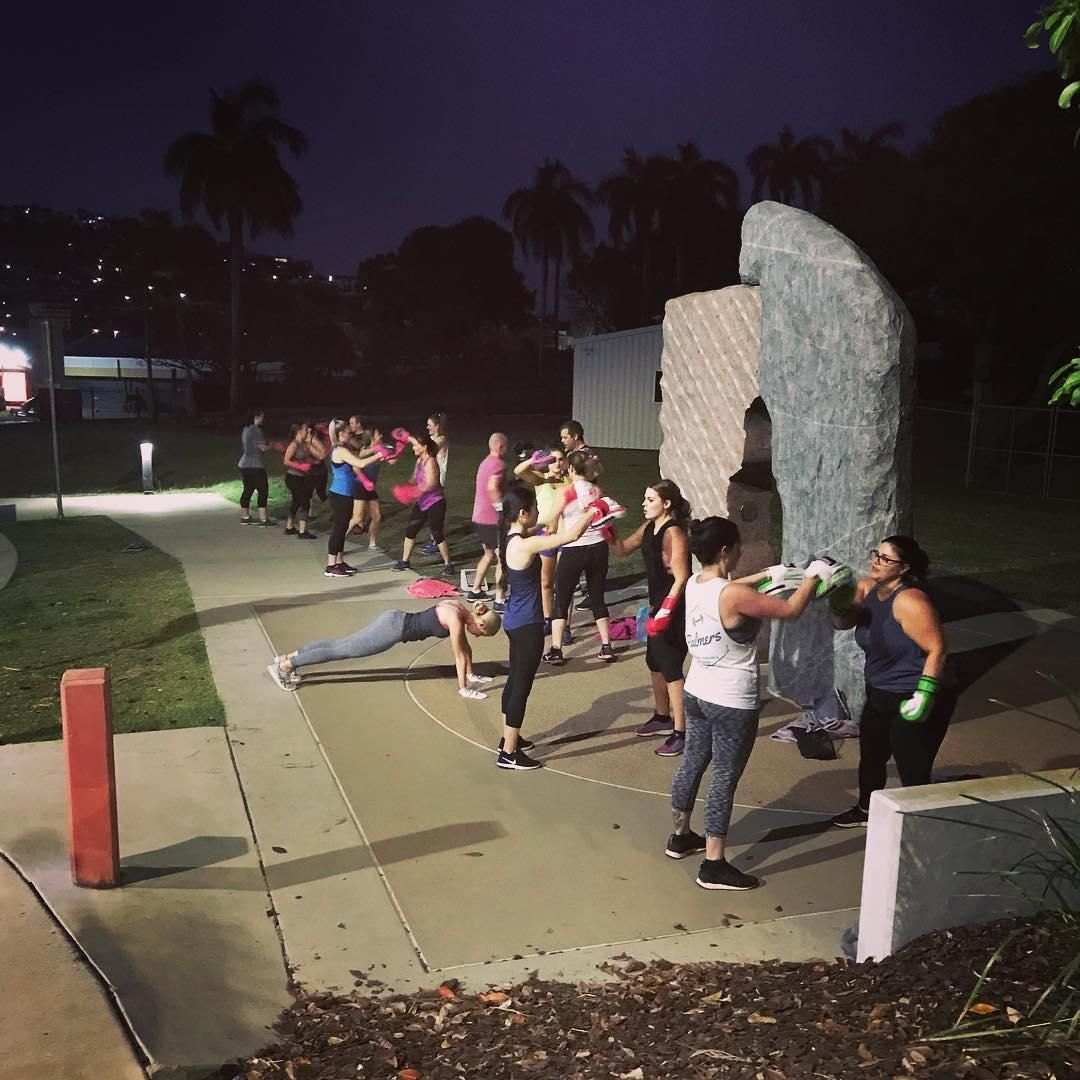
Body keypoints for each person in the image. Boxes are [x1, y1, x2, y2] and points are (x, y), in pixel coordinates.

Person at [666, 517, 846, 891]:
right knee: (723, 780)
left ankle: (680, 837)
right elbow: (790, 611)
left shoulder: (696, 585)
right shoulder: (732, 595)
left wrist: (771, 572)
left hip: (697, 693)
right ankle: (713, 864)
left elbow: (732, 588)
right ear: (726, 551)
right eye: (738, 547)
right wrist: (812, 576)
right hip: (731, 701)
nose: (742, 552)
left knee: (693, 762)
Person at [828, 535, 955, 828]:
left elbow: (938, 649)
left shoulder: (911, 601)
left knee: (911, 762)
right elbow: (842, 624)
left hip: (915, 691)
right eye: (876, 554)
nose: (876, 561)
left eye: (886, 558)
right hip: (880, 690)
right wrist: (837, 604)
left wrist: (924, 695)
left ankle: (919, 822)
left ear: (903, 568)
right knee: (871, 755)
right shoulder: (866, 587)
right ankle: (866, 809)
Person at [496, 485, 604, 770]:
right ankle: (509, 753)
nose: (538, 513)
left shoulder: (511, 538)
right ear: (523, 513)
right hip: (528, 624)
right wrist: (594, 512)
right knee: (521, 685)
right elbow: (569, 536)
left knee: (514, 679)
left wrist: (563, 500)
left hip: (515, 621)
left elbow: (545, 524)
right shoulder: (525, 544)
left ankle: (509, 738)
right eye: (534, 508)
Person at [609, 480, 692, 757]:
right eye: (645, 499)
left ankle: (681, 732)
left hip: (673, 608)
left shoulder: (674, 533)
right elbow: (621, 550)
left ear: (666, 504)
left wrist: (667, 610)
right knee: (654, 662)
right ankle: (661, 716)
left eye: (650, 499)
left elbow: (681, 577)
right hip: (657, 606)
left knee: (670, 667)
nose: (644, 504)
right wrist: (606, 528)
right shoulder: (648, 528)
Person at [267, 598, 501, 695]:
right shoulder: (456, 620)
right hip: (392, 630)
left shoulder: (460, 608)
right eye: (482, 633)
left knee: (339, 644)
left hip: (394, 619)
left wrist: (472, 674)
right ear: (480, 623)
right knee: (342, 650)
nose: (479, 637)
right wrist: (464, 687)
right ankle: (285, 667)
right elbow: (459, 654)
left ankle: (284, 659)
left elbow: (466, 648)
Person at [545, 450, 619, 666]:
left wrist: (549, 532)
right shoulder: (597, 490)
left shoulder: (566, 492)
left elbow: (553, 519)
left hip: (574, 548)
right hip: (598, 547)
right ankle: (606, 646)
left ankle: (557, 649)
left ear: (570, 469)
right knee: (597, 596)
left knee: (562, 598)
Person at [513, 445, 571, 648]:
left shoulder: (570, 480)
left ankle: (565, 624)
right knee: (546, 582)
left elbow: (596, 474)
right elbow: (518, 472)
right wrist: (534, 461)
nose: (557, 464)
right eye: (553, 460)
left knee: (564, 583)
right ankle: (548, 619)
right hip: (545, 535)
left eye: (560, 459)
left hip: (566, 536)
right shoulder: (542, 479)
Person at [392, 433, 456, 578]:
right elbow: (414, 479)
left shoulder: (431, 462)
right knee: (411, 530)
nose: (413, 448)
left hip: (435, 503)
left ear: (424, 447)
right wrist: (405, 488)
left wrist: (414, 492)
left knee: (437, 533)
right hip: (422, 503)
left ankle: (448, 564)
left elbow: (431, 483)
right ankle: (404, 561)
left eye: (416, 446)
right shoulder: (419, 461)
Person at [323, 422, 373, 578]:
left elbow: (358, 458)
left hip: (345, 493)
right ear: (340, 434)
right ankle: (331, 566)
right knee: (339, 529)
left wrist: (376, 450)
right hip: (340, 494)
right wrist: (379, 454)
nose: (349, 433)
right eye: (347, 431)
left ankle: (339, 561)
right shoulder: (340, 450)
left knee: (343, 527)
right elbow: (360, 463)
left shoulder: (342, 448)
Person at [468, 432, 508, 610]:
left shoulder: (485, 463)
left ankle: (475, 590)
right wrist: (501, 506)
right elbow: (492, 488)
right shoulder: (498, 464)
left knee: (489, 554)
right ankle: (499, 599)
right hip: (492, 519)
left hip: (478, 517)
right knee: (502, 558)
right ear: (500, 447)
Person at [282, 421, 326, 539]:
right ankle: (302, 532)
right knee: (304, 502)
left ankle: (289, 527)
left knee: (296, 501)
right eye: (305, 429)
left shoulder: (304, 444)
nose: (308, 431)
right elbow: (286, 460)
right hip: (293, 478)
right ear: (299, 431)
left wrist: (313, 460)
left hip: (302, 478)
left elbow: (321, 455)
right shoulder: (294, 444)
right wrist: (300, 466)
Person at [238, 408, 276, 526]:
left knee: (248, 489)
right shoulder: (256, 430)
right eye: (262, 417)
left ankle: (245, 516)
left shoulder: (245, 429)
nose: (263, 419)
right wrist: (271, 445)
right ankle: (263, 519)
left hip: (244, 464)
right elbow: (263, 448)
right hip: (255, 465)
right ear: (257, 417)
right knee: (263, 490)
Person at [420, 412, 450, 555]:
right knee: (428, 509)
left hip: (437, 480)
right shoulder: (432, 438)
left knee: (433, 510)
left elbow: (429, 449)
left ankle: (435, 541)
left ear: (437, 426)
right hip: (428, 478)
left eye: (430, 425)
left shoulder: (442, 439)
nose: (427, 427)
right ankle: (434, 538)